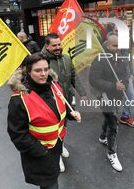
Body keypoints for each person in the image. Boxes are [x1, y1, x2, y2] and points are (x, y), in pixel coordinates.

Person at [7, 53, 81, 189]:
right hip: (39, 154)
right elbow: (18, 134)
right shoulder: (19, 99)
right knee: (50, 185)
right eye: (38, 70)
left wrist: (71, 113)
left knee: (54, 177)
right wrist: (42, 152)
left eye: (46, 69)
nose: (43, 74)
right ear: (28, 71)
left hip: (56, 147)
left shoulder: (54, 85)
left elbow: (60, 107)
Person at [41, 32, 86, 172]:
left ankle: (61, 145)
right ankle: (56, 156)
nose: (58, 47)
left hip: (66, 100)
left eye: (59, 44)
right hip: (51, 104)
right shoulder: (41, 61)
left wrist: (82, 92)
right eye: (54, 45)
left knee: (63, 127)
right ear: (46, 46)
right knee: (53, 130)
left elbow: (73, 76)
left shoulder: (66, 58)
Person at [89, 34, 128, 172]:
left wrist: (125, 84)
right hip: (104, 95)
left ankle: (102, 137)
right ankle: (112, 153)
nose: (118, 48)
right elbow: (93, 80)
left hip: (117, 95)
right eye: (115, 46)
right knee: (113, 122)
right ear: (107, 46)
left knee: (109, 117)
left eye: (119, 45)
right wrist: (113, 86)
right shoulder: (99, 60)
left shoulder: (121, 57)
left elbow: (125, 74)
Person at [107, 25, 134, 127]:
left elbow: (129, 58)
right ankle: (112, 116)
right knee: (114, 97)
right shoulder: (108, 42)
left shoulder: (126, 41)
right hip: (113, 75)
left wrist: (131, 73)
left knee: (131, 95)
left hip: (126, 74)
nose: (118, 34)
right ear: (113, 30)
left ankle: (125, 116)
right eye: (116, 31)